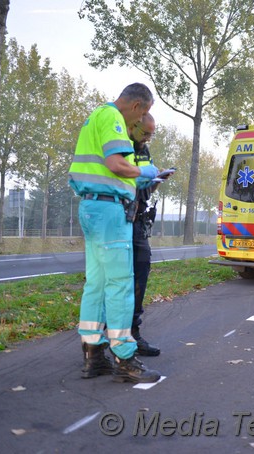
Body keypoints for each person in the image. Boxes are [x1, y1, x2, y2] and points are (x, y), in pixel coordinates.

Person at [68, 83, 161, 384]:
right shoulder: (113, 118)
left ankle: (93, 353)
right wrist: (145, 172)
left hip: (91, 208)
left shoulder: (96, 116)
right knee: (120, 284)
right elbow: (115, 163)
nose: (140, 120)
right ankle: (125, 358)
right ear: (137, 107)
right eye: (144, 113)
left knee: (96, 283)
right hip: (109, 211)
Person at [128, 113, 174, 356]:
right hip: (119, 216)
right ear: (133, 125)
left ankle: (133, 334)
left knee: (141, 269)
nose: (147, 138)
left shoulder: (144, 152)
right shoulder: (122, 146)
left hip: (137, 216)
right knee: (115, 279)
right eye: (145, 133)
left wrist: (157, 179)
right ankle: (107, 340)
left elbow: (145, 189)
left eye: (151, 135)